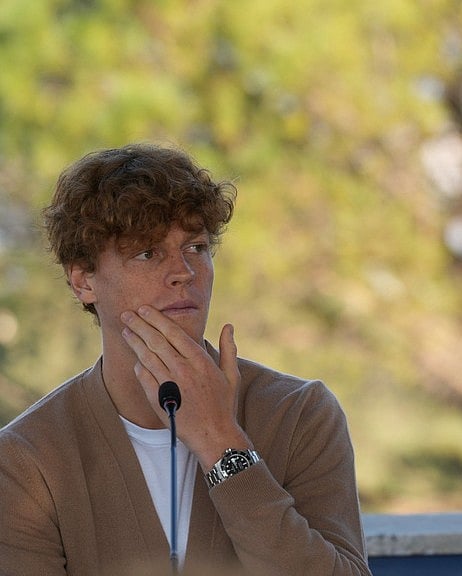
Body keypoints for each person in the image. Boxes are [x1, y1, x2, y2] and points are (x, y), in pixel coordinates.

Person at [0, 143, 372, 575]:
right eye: (147, 252)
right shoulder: (28, 460)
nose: (184, 271)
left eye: (196, 246)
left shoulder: (300, 415)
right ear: (83, 281)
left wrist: (221, 442)